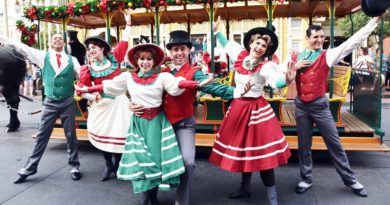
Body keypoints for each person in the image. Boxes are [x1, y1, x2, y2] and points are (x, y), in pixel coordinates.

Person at [76, 43, 212, 205]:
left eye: (149, 59)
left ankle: (153, 195)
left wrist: (197, 84)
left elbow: (177, 85)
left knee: (154, 159)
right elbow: (108, 86)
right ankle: (144, 196)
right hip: (139, 125)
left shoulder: (162, 77)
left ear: (154, 61)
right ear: (136, 61)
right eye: (142, 59)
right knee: (140, 158)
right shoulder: (129, 77)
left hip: (156, 124)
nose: (145, 62)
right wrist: (87, 89)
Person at [130, 30, 251, 205]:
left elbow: (213, 87)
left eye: (182, 49)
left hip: (183, 124)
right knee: (151, 159)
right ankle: (149, 196)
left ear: (189, 51)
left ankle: (181, 201)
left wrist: (236, 91)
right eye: (175, 49)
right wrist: (131, 104)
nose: (179, 53)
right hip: (158, 123)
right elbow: (138, 88)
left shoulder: (195, 73)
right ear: (170, 52)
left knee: (187, 162)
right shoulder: (159, 71)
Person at [293, 14, 384, 198]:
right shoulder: (297, 55)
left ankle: (351, 180)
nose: (320, 40)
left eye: (322, 37)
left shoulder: (329, 55)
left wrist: (374, 22)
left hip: (319, 105)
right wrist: (294, 66)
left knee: (334, 143)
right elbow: (283, 74)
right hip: (301, 105)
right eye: (316, 37)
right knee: (304, 145)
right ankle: (306, 178)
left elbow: (353, 40)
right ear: (307, 38)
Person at [208, 17, 296, 205]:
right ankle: (245, 188)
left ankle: (272, 198)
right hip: (239, 108)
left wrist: (286, 81)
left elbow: (274, 81)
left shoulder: (265, 66)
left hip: (256, 111)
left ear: (267, 50)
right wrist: (216, 31)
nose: (259, 47)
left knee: (262, 156)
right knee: (243, 151)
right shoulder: (240, 55)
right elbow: (226, 44)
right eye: (257, 42)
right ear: (250, 43)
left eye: (264, 45)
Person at [0, 33, 82, 183]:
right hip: (50, 102)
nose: (57, 39)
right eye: (55, 38)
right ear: (51, 42)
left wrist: (86, 92)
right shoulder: (42, 56)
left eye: (60, 38)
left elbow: (82, 77)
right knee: (41, 135)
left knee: (71, 136)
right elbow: (22, 47)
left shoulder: (73, 60)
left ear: (64, 42)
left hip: (67, 101)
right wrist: (2, 38)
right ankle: (30, 167)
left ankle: (74, 166)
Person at [74, 13, 132, 182]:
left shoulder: (115, 59)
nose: (91, 50)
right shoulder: (87, 68)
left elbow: (125, 42)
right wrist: (93, 95)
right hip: (101, 105)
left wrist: (128, 24)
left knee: (120, 133)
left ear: (102, 49)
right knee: (103, 133)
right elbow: (81, 91)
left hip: (118, 103)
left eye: (94, 47)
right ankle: (108, 165)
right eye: (89, 47)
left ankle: (119, 164)